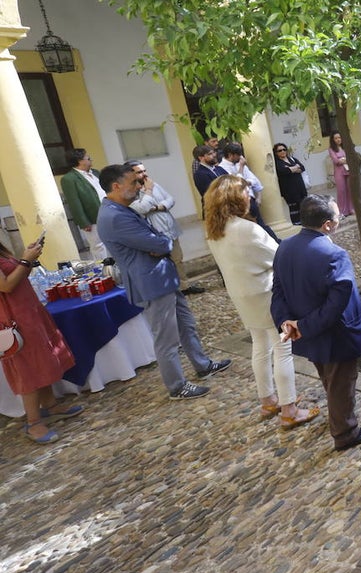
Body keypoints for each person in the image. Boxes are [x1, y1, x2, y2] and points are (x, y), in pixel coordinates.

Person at [97, 163, 231, 400]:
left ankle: (202, 365)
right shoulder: (114, 216)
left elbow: (158, 239)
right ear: (116, 186)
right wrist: (163, 243)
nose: (139, 186)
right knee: (166, 338)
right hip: (151, 282)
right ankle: (177, 386)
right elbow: (159, 243)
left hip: (163, 277)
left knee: (186, 325)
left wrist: (161, 242)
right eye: (133, 182)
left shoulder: (122, 209)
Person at [204, 175, 319, 430]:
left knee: (260, 345)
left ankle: (268, 400)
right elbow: (278, 257)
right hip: (265, 293)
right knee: (282, 347)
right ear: (234, 198)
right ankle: (289, 409)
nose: (250, 197)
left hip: (241, 295)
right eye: (246, 193)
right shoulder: (246, 229)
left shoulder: (214, 230)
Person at [271, 194, 361, 451]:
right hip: (335, 333)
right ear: (327, 224)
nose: (339, 219)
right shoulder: (333, 254)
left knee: (329, 378)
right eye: (337, 216)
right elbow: (337, 303)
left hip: (307, 333)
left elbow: (277, 291)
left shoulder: (284, 247)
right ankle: (345, 433)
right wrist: (303, 326)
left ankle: (337, 416)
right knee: (341, 383)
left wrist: (287, 323)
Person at [0, 237, 82, 444]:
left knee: (41, 362)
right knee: (27, 369)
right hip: (13, 320)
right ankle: (33, 423)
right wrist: (26, 260)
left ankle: (50, 406)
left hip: (27, 312)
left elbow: (18, 276)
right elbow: (6, 286)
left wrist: (27, 259)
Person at [126, 160, 202, 295]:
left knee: (178, 259)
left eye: (144, 170)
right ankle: (170, 290)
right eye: (139, 172)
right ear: (130, 175)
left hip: (169, 228)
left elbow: (170, 199)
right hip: (155, 233)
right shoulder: (130, 192)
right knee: (162, 264)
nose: (144, 174)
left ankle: (184, 286)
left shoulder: (152, 184)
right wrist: (148, 194)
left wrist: (158, 207)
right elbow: (141, 208)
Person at [219, 142, 279, 243]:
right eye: (238, 155)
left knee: (261, 224)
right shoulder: (222, 168)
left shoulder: (240, 164)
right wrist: (241, 170)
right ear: (230, 155)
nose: (241, 158)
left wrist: (258, 196)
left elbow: (254, 180)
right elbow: (237, 185)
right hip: (238, 202)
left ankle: (275, 242)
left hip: (250, 199)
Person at [59, 148, 106, 259]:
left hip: (108, 212)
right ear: (80, 161)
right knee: (98, 245)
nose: (91, 159)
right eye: (88, 158)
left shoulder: (95, 172)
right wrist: (83, 222)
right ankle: (105, 266)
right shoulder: (69, 179)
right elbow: (74, 201)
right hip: (93, 217)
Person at [273, 142, 308, 225]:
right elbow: (283, 171)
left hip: (300, 188)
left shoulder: (292, 159)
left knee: (304, 206)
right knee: (294, 208)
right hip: (289, 190)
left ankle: (306, 223)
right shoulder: (277, 163)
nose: (282, 151)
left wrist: (291, 169)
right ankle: (297, 224)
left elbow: (302, 167)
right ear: (276, 153)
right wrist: (295, 167)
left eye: (284, 149)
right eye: (280, 150)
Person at [192, 144, 228, 209]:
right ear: (201, 158)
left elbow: (231, 182)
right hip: (214, 208)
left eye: (214, 152)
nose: (214, 155)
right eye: (210, 154)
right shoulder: (200, 174)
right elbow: (211, 192)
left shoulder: (219, 169)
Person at [328, 132, 354, 217]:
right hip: (339, 172)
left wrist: (343, 160)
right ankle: (342, 211)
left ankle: (351, 209)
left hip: (348, 170)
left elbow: (351, 157)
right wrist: (344, 160)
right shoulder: (331, 149)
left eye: (339, 137)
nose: (338, 139)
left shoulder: (345, 147)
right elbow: (336, 161)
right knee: (341, 191)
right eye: (336, 138)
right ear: (333, 140)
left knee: (350, 190)